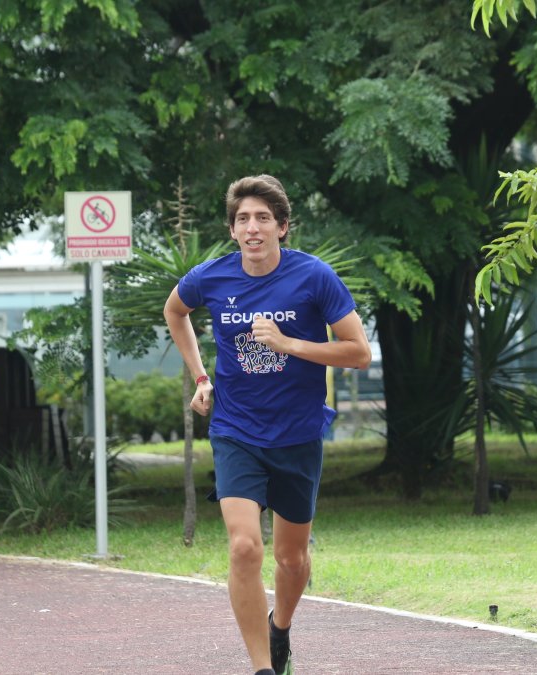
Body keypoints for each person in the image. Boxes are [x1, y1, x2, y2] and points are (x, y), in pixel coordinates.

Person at [163, 175, 371, 675]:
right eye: (243, 219)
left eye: (262, 218)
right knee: (243, 547)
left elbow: (359, 353)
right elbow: (175, 310)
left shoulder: (314, 277)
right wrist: (201, 377)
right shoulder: (211, 277)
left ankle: (280, 627)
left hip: (298, 433)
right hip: (236, 430)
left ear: (282, 226)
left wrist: (288, 344)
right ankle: (262, 669)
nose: (252, 228)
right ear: (232, 230)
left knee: (292, 560)